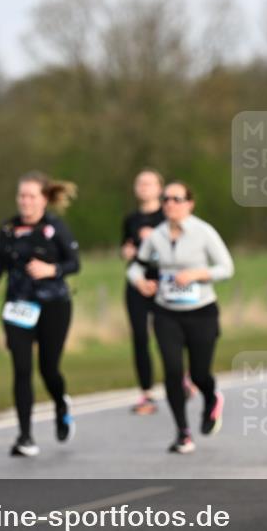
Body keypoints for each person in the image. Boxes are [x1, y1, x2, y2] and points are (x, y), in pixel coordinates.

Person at [127, 181, 234, 454]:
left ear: (189, 203)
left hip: (201, 311)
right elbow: (136, 267)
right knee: (173, 372)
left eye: (177, 199)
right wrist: (141, 283)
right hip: (166, 312)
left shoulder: (203, 232)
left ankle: (211, 398)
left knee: (199, 374)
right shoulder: (156, 236)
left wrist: (197, 274)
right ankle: (182, 432)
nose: (170, 204)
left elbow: (226, 267)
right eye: (166, 199)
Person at [0, 172, 80, 457]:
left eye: (31, 196)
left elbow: (75, 262)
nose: (25, 201)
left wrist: (51, 270)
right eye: (21, 196)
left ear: (43, 199)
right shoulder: (8, 228)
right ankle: (25, 436)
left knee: (48, 368)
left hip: (53, 305)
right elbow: (0, 258)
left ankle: (61, 405)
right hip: (18, 307)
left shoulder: (55, 227)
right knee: (21, 369)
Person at [121, 169, 166, 416]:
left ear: (160, 188)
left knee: (166, 335)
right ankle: (146, 393)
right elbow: (127, 250)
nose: (144, 187)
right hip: (137, 282)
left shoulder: (168, 216)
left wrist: (155, 238)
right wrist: (126, 253)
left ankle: (181, 378)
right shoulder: (131, 220)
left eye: (149, 183)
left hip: (164, 282)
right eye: (140, 183)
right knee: (140, 337)